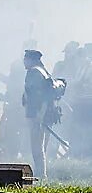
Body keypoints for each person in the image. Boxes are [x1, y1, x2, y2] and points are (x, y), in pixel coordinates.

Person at [23, 49, 65, 179]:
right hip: (45, 114)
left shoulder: (34, 72)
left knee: (37, 148)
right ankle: (42, 175)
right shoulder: (42, 71)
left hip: (39, 114)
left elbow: (39, 97)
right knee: (41, 148)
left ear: (32, 59)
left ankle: (41, 176)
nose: (24, 61)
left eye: (26, 58)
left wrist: (38, 116)